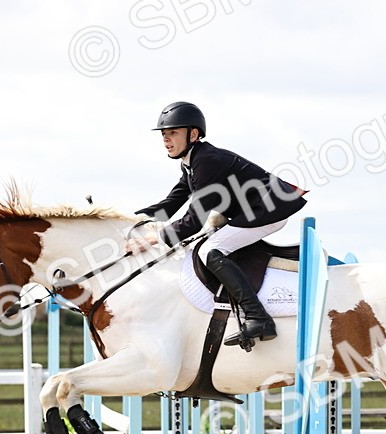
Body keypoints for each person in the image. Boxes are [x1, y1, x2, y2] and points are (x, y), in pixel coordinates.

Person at [131, 101, 307, 347]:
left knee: (210, 251)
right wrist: (133, 220)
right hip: (256, 210)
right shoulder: (192, 162)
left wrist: (154, 239)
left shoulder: (207, 162)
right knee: (210, 246)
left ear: (193, 134)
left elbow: (194, 221)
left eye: (173, 133)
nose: (166, 139)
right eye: (164, 134)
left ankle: (259, 317)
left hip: (269, 209)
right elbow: (173, 201)